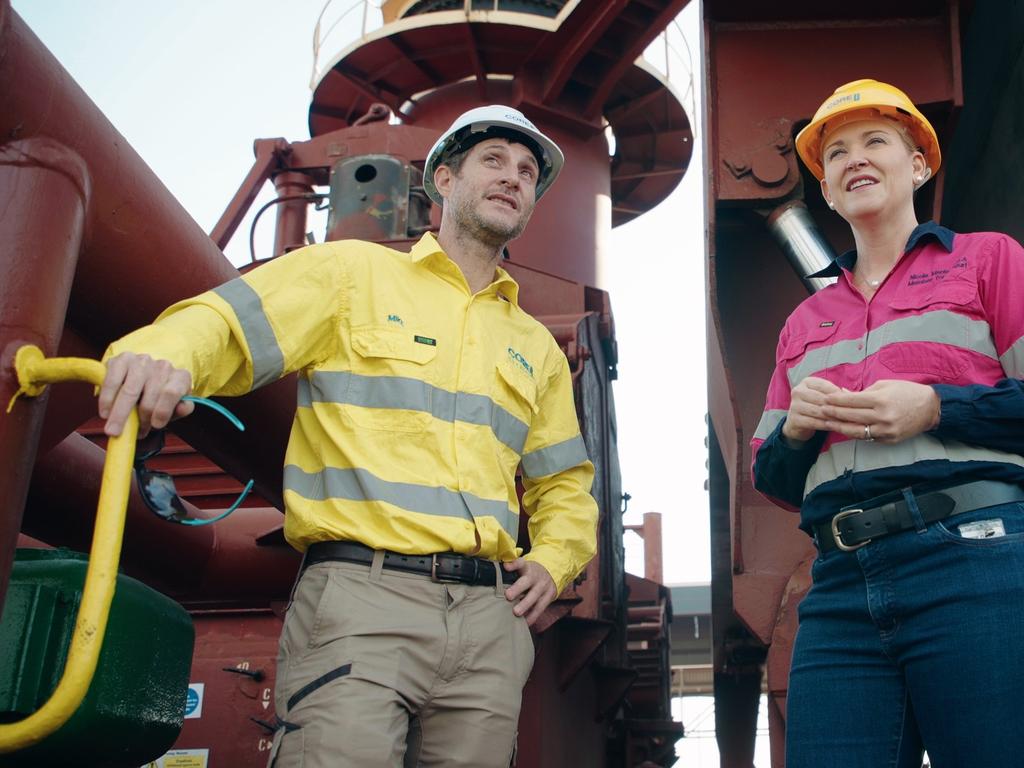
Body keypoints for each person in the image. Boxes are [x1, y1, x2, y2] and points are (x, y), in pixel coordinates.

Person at [98, 105, 598, 768]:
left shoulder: (533, 346)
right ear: (443, 181)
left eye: (528, 172)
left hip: (487, 622)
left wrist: (554, 558)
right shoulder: (349, 276)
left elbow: (565, 483)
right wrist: (164, 353)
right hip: (363, 595)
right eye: (495, 161)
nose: (513, 178)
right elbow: (227, 322)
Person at [751, 79, 1024, 767]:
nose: (854, 158)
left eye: (876, 140)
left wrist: (936, 407)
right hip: (839, 586)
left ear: (919, 165)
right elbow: (774, 478)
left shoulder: (989, 261)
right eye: (835, 152)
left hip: (977, 560)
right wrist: (796, 431)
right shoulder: (803, 324)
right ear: (829, 191)